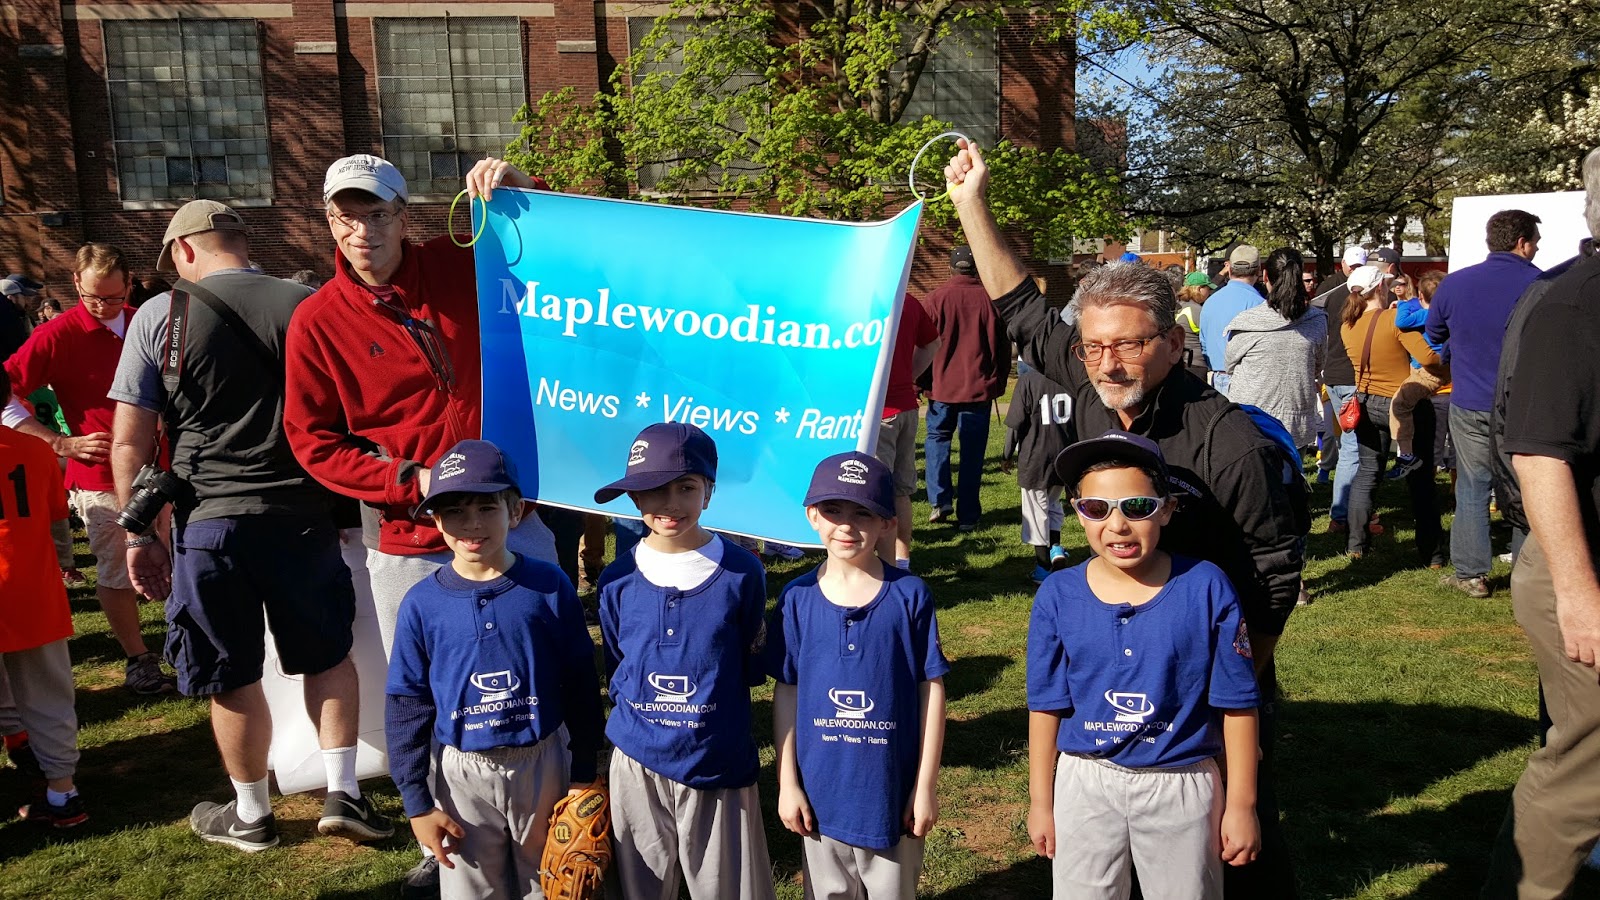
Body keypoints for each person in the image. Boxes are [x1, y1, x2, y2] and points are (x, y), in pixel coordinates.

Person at [945, 138, 1302, 898]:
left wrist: (1230, 684)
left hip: (1207, 671)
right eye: (1094, 347)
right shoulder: (1090, 377)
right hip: (1111, 666)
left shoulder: (1228, 444)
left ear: (1172, 342)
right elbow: (1021, 311)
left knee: (1236, 854)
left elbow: (1273, 577)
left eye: (1129, 345)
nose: (1108, 363)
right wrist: (971, 205)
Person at [284, 153, 562, 895]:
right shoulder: (316, 320)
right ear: (329, 222)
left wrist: (520, 187)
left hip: (512, 514)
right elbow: (312, 440)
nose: (362, 231)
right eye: (346, 216)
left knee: (547, 660)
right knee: (434, 690)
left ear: (403, 216)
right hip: (410, 535)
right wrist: (406, 483)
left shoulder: (459, 259)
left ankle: (562, 806)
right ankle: (442, 826)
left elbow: (550, 244)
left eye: (376, 214)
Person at [109, 200, 389, 852]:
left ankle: (252, 814)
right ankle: (343, 792)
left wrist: (138, 534)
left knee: (229, 671)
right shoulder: (308, 304)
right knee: (327, 656)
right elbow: (354, 413)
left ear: (184, 250)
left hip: (208, 523)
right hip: (301, 516)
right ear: (241, 239)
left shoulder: (159, 315)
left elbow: (129, 440)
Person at [1027, 430, 1261, 899]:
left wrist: (1242, 804)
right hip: (1085, 781)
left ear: (1167, 509)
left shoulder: (1206, 586)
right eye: (1096, 508)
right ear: (1076, 511)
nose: (1117, 525)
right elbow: (1045, 704)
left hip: (1181, 780)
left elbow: (1237, 702)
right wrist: (1040, 801)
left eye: (1137, 507)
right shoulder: (1057, 593)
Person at [385, 439, 603, 899]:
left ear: (516, 510)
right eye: (455, 512)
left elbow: (581, 679)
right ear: (434, 520)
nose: (472, 524)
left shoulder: (548, 585)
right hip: (462, 772)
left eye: (487, 507)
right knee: (472, 889)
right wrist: (417, 803)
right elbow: (407, 703)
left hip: (542, 760)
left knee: (549, 882)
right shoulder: (422, 603)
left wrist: (584, 766)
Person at [593, 422, 776, 900]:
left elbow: (749, 664)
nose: (670, 503)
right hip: (637, 759)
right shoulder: (616, 579)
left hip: (716, 757)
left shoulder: (742, 572)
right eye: (655, 489)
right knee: (641, 888)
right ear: (634, 497)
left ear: (709, 492)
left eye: (686, 487)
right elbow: (618, 665)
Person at [1484, 146, 1600, 899]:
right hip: (1578, 561)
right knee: (1587, 765)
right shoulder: (1573, 304)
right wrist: (1579, 594)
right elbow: (1539, 454)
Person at [767, 451, 949, 899]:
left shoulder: (910, 596)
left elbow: (931, 692)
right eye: (833, 510)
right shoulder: (796, 599)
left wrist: (924, 786)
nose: (846, 526)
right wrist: (787, 783)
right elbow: (787, 692)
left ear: (887, 522)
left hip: (891, 797)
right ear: (812, 515)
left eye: (863, 512)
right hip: (819, 798)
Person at [3, 243, 175, 695]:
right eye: (93, 297)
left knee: (182, 559)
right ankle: (139, 658)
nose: (103, 306)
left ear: (129, 283)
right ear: (76, 282)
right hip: (101, 475)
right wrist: (59, 442)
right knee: (118, 570)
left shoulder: (147, 320)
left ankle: (187, 643)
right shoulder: (57, 334)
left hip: (169, 467)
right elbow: (6, 391)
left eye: (115, 296)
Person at [1427, 209, 1543, 598]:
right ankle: (1527, 572)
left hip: (1470, 399)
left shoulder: (1455, 283)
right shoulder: (1542, 284)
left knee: (1473, 486)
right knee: (1526, 487)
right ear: (1522, 243)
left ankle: (1471, 573)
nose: (1537, 248)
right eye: (1535, 242)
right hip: (1522, 403)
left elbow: (1434, 333)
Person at [0, 364, 87, 828]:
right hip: (32, 588)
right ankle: (62, 792)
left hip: (24, 586)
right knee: (48, 694)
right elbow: (56, 515)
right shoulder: (35, 449)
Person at [1338, 265, 1445, 567]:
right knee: (1420, 478)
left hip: (1364, 403)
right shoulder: (1394, 321)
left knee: (1367, 473)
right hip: (1404, 404)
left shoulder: (1347, 325)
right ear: (1379, 289)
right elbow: (1427, 357)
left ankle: (1356, 545)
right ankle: (1432, 553)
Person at [922, 245, 1010, 531]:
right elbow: (1002, 347)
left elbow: (921, 345)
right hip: (978, 387)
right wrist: (999, 381)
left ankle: (940, 500)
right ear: (976, 269)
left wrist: (920, 382)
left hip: (941, 387)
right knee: (973, 452)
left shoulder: (935, 300)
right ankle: (968, 515)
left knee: (937, 440)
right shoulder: (991, 301)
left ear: (951, 268)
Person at [1222, 248, 1328, 449]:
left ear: (1265, 276)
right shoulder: (1317, 321)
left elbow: (1229, 364)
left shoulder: (1247, 322)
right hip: (1294, 422)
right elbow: (1318, 365)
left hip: (1253, 421)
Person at [872, 293, 939, 569]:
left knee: (876, 490)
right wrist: (909, 377)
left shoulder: (860, 298)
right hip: (905, 408)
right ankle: (901, 560)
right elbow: (933, 343)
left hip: (878, 412)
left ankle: (887, 565)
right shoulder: (907, 300)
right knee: (900, 490)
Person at [1312, 246, 1369, 533]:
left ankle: (1351, 510)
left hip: (1334, 375)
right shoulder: (1351, 296)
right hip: (1349, 378)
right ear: (1344, 265)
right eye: (1353, 265)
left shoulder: (1331, 296)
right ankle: (1344, 514)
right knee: (1353, 446)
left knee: (1348, 442)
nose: (1354, 270)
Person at [1003, 364, 1075, 582]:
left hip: (1035, 457)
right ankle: (1055, 548)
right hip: (1064, 454)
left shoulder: (1028, 381)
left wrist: (1007, 454)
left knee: (1035, 512)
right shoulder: (1069, 378)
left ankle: (1042, 566)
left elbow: (1015, 424)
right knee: (1053, 504)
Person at [1387, 269, 1450, 478]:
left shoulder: (1429, 314)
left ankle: (1406, 455)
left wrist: (1403, 303)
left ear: (1421, 295)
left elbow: (1401, 322)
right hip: (1434, 369)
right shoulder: (1446, 311)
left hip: (1428, 371)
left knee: (1399, 405)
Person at [1197, 246, 1265, 396]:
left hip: (1216, 379)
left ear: (1229, 269)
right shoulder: (1259, 304)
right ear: (1258, 271)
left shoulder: (1210, 302)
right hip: (1247, 380)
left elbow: (1204, 344)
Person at [1175, 272, 1214, 382]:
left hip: (1180, 361)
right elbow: (1211, 337)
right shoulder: (1197, 310)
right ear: (1199, 289)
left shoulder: (1179, 306)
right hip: (1196, 364)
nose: (1210, 292)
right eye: (1208, 288)